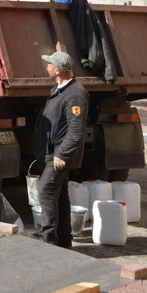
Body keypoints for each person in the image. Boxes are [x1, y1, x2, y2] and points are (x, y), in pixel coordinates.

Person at [35, 51, 89, 248]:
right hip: (52, 151)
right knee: (60, 195)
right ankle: (64, 241)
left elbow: (76, 131)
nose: (47, 67)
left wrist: (62, 154)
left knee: (46, 190)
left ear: (57, 69)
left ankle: (48, 241)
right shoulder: (60, 89)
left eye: (49, 64)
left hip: (59, 154)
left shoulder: (75, 94)